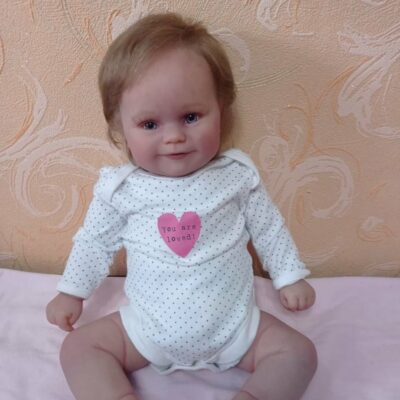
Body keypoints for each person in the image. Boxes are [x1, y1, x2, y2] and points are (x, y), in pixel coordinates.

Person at [46, 12, 317, 400]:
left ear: (221, 110)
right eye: (150, 125)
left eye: (191, 117)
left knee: (299, 353)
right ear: (120, 128)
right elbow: (94, 242)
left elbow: (267, 226)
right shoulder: (121, 188)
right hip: (144, 331)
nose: (174, 137)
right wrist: (72, 292)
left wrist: (288, 276)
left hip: (238, 330)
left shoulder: (236, 175)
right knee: (77, 348)